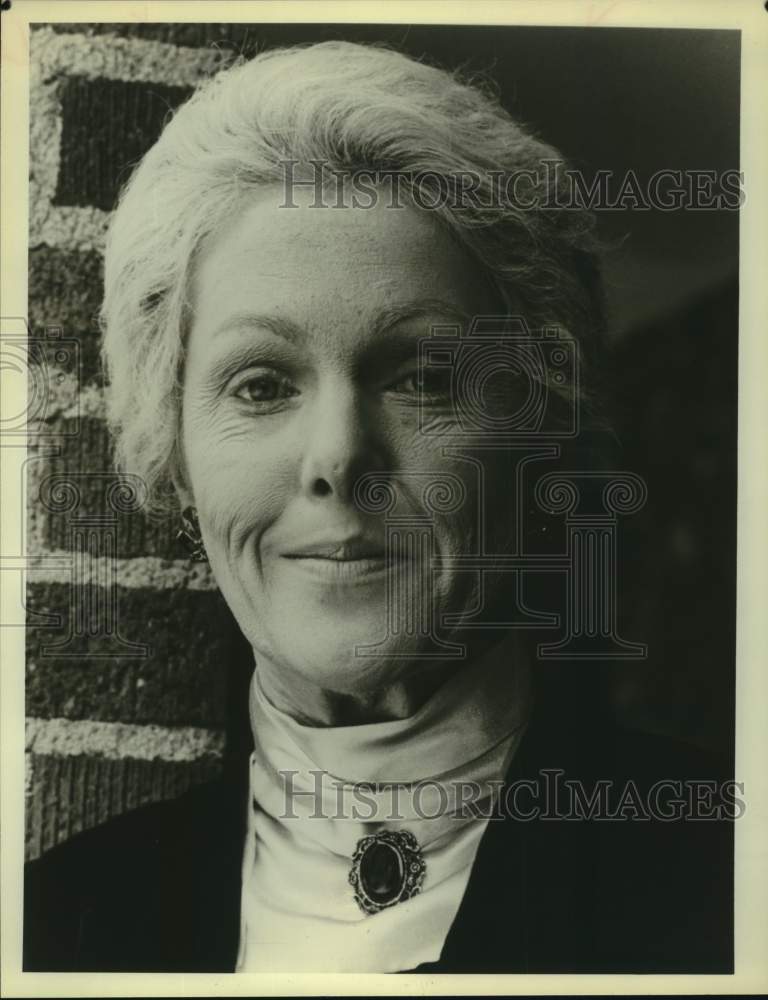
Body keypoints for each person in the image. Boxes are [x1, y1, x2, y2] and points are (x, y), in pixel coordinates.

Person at [23, 40, 733, 973]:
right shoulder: (55, 922)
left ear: (540, 428)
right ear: (176, 450)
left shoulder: (722, 882)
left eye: (424, 376)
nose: (336, 457)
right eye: (262, 384)